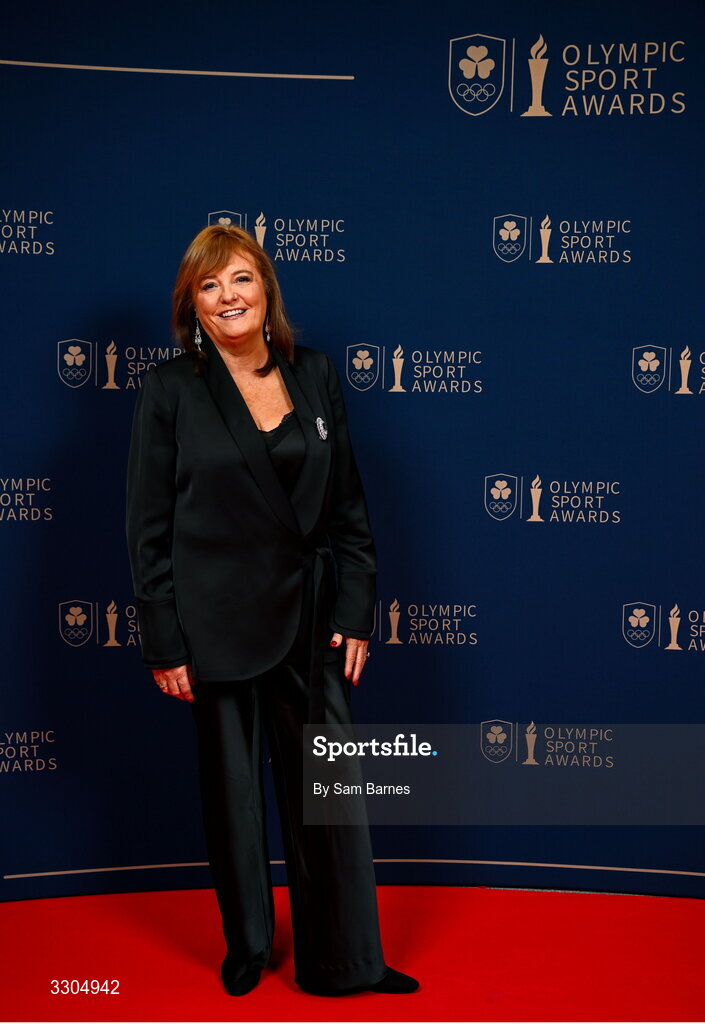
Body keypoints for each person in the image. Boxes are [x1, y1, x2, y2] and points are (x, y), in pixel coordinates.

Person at [125, 224, 419, 997]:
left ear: (266, 290)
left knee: (330, 796)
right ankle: (248, 947)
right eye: (210, 285)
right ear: (192, 301)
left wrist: (356, 612)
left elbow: (349, 507)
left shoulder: (314, 373)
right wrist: (164, 641)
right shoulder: (168, 390)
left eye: (242, 280)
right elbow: (147, 528)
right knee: (233, 793)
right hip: (214, 621)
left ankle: (347, 959)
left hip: (315, 618)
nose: (228, 297)